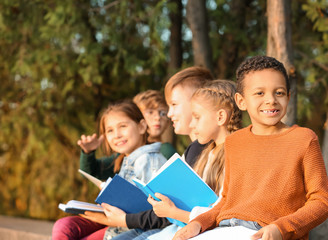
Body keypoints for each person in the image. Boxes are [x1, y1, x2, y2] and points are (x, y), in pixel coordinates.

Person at [173, 56, 328, 240]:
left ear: (288, 97)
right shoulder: (234, 142)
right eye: (259, 93)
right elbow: (226, 200)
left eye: (279, 93)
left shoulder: (304, 139)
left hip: (264, 233)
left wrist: (280, 229)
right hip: (223, 229)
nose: (271, 100)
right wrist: (198, 223)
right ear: (241, 101)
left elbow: (321, 202)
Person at [88, 66, 214, 240]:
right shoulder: (191, 150)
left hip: (166, 227)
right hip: (151, 224)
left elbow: (169, 212)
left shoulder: (159, 155)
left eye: (173, 106)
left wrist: (125, 219)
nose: (167, 115)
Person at [52, 100, 167, 240]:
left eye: (123, 126)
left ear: (142, 126)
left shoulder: (148, 160)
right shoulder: (125, 158)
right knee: (65, 225)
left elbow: (155, 211)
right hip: (116, 222)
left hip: (132, 228)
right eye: (110, 131)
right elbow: (91, 170)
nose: (117, 135)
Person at [142, 79, 242, 240]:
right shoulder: (207, 153)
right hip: (189, 225)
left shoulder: (236, 154)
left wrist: (173, 212)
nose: (192, 124)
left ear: (220, 116)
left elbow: (223, 213)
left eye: (197, 117)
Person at [133, 89, 177, 159]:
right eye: (150, 112)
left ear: (168, 122)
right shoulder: (127, 150)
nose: (158, 117)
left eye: (162, 113)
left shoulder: (166, 150)